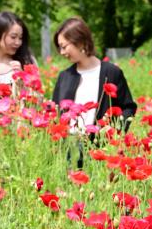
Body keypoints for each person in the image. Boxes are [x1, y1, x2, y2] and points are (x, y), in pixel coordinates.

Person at [52, 17, 137, 168]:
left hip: (101, 147)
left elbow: (128, 107)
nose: (62, 52)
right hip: (69, 147)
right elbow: (56, 113)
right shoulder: (64, 76)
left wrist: (113, 132)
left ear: (80, 41)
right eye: (59, 48)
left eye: (64, 46)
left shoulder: (111, 72)